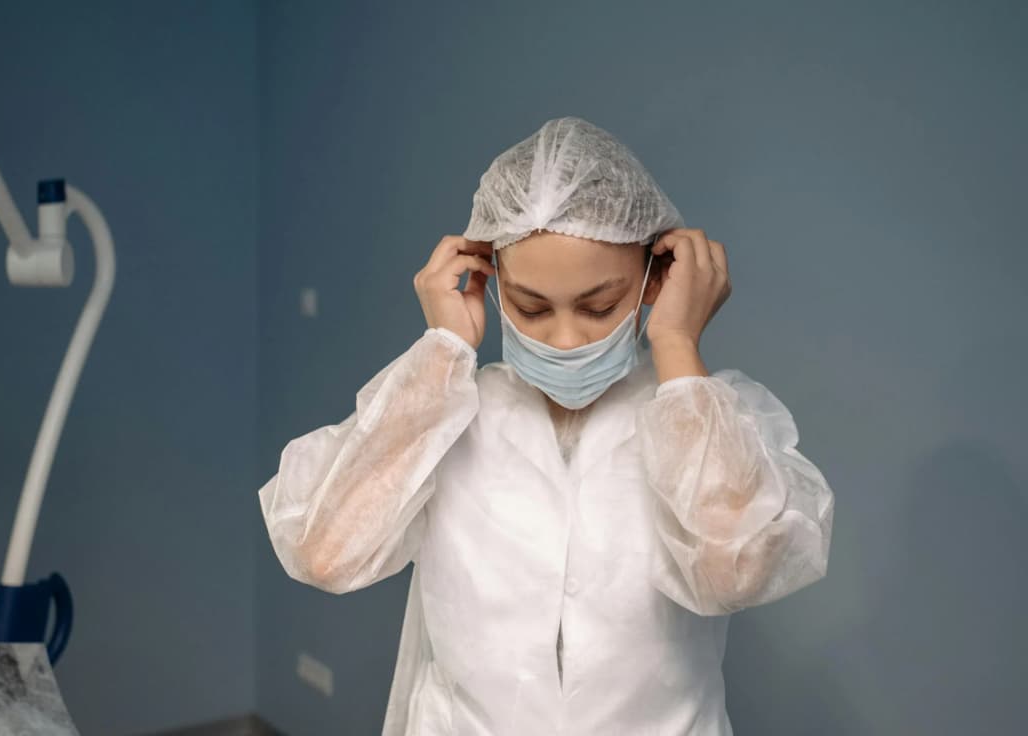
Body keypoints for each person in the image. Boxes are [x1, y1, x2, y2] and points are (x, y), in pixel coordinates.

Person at [257, 116, 835, 735]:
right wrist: (442, 349)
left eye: (598, 305)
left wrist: (676, 344)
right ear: (492, 282)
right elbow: (323, 552)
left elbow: (737, 571)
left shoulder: (708, 422)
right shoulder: (442, 417)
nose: (566, 338)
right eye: (531, 307)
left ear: (651, 279)